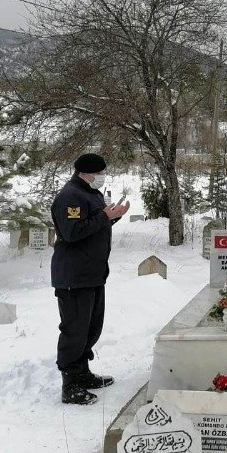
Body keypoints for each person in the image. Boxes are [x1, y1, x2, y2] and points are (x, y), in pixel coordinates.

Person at [51, 153, 130, 405]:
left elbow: (93, 227)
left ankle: (83, 373)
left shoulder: (90, 193)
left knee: (91, 328)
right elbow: (72, 232)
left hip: (93, 274)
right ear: (86, 173)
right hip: (74, 275)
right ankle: (70, 383)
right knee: (75, 330)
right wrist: (105, 217)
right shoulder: (70, 196)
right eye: (100, 173)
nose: (102, 176)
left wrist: (113, 216)